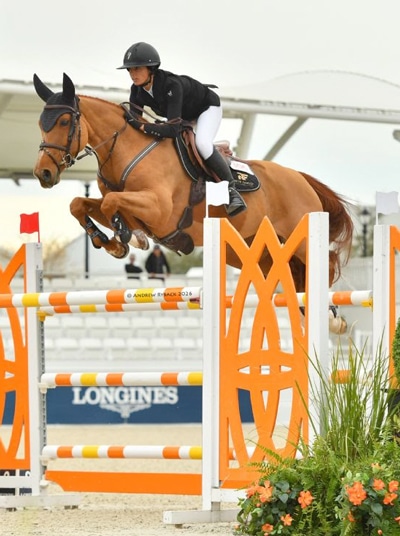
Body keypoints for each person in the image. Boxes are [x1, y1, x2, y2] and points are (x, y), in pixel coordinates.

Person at [117, 41, 247, 217]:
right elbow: (135, 120)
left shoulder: (171, 85)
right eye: (130, 70)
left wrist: (143, 126)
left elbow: (170, 129)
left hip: (206, 108)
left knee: (202, 143)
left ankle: (232, 191)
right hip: (182, 115)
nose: (133, 74)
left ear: (151, 69)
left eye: (137, 68)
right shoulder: (137, 90)